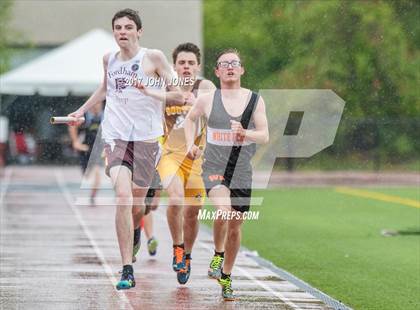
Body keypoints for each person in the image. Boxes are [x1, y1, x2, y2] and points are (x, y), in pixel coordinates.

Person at [68, 8, 182, 290]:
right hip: (116, 137)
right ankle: (127, 269)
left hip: (147, 139)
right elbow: (104, 89)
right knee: (122, 196)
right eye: (117, 27)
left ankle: (135, 233)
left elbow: (178, 93)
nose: (122, 32)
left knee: (138, 205)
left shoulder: (153, 57)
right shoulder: (109, 59)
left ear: (138, 31)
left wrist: (150, 91)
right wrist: (80, 111)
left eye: (128, 27)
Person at [184, 49, 269, 300]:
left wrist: (246, 133)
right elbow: (190, 120)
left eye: (235, 63)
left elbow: (264, 135)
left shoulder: (254, 100)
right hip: (214, 167)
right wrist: (191, 145)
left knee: (235, 226)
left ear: (242, 69)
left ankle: (226, 273)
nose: (230, 67)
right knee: (224, 211)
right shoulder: (208, 99)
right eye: (224, 64)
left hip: (242, 170)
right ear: (217, 71)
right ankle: (218, 255)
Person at [157, 43, 215, 284]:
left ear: (198, 66)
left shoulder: (206, 87)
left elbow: (218, 114)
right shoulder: (165, 87)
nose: (187, 67)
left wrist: (197, 104)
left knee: (192, 213)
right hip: (169, 154)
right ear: (175, 66)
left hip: (196, 158)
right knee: (176, 199)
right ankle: (177, 247)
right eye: (182, 63)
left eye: (191, 63)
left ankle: (188, 256)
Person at [68, 102, 104, 206]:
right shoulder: (85, 117)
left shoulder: (105, 116)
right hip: (85, 150)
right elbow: (72, 127)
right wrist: (75, 142)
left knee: (97, 175)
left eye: (99, 104)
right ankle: (91, 185)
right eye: (95, 104)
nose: (97, 107)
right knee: (87, 175)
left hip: (97, 150)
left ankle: (92, 197)